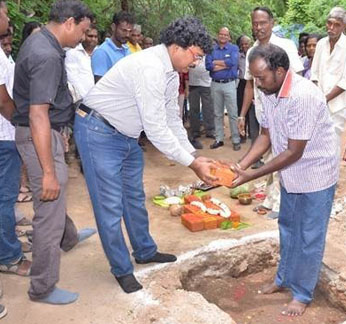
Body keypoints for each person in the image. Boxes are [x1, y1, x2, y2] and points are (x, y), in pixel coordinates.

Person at [74, 17, 216, 294]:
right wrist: (193, 164)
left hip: (125, 136)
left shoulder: (170, 72)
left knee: (134, 198)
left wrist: (192, 154)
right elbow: (155, 127)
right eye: (196, 56)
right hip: (98, 131)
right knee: (110, 205)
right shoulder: (151, 67)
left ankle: (144, 250)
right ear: (178, 46)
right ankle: (121, 269)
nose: (196, 63)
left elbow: (171, 118)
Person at [230, 44, 338, 317]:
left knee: (309, 236)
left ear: (279, 71)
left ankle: (302, 292)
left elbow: (294, 151)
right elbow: (265, 136)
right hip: (290, 173)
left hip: (315, 174)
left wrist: (252, 175)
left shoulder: (302, 96)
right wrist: (240, 166)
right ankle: (284, 278)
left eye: (261, 77)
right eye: (254, 77)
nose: (257, 83)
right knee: (288, 227)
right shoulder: (268, 91)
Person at [12, 0, 96, 305]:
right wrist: (47, 168)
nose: (83, 39)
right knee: (49, 205)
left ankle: (69, 237)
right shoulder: (46, 54)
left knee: (56, 192)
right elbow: (37, 114)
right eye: (83, 31)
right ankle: (42, 287)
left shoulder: (38, 41)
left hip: (45, 133)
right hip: (39, 136)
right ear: (70, 23)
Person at [238, 6, 304, 219]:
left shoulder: (285, 45)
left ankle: (280, 204)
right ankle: (270, 198)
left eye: (263, 23)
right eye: (255, 23)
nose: (259, 27)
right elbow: (249, 85)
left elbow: (298, 78)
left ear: (272, 23)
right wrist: (242, 114)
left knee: (283, 154)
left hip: (285, 109)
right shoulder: (251, 51)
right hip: (262, 110)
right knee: (268, 154)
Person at [0, 0, 32, 285]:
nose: (7, 17)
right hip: (2, 136)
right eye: (4, 11)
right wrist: (22, 124)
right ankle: (8, 257)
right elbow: (2, 100)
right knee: (3, 198)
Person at [310, 6, 346, 149]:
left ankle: (332, 172)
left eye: (336, 25)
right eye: (329, 23)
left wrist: (325, 98)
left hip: (338, 105)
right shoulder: (320, 44)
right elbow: (314, 73)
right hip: (318, 103)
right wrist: (318, 97)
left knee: (332, 144)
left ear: (344, 26)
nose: (331, 28)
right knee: (316, 142)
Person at [205, 27, 240, 151]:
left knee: (233, 113)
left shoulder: (234, 48)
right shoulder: (211, 49)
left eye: (226, 35)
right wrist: (224, 64)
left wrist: (216, 63)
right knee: (217, 113)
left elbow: (232, 62)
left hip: (229, 84)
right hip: (215, 84)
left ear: (229, 37)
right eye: (221, 34)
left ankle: (236, 139)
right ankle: (219, 139)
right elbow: (208, 65)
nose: (223, 36)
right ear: (218, 35)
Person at [91, 11, 134, 82]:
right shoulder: (102, 53)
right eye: (124, 30)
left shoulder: (127, 50)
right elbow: (100, 85)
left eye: (130, 31)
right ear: (113, 27)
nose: (127, 35)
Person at [65, 24, 98, 101]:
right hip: (79, 99)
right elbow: (72, 78)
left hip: (97, 100)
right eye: (90, 36)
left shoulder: (100, 52)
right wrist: (85, 98)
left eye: (95, 37)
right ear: (83, 36)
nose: (93, 39)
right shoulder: (72, 52)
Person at [188, 56, 215, 149]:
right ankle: (195, 131)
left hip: (207, 83)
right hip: (193, 83)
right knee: (194, 108)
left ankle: (210, 130)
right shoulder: (192, 54)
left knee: (208, 108)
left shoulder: (209, 55)